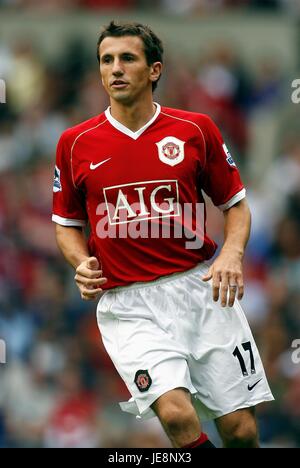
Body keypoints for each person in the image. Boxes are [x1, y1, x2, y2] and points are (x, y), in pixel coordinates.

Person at [52, 21, 274, 449]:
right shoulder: (75, 142)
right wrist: (80, 263)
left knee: (240, 430)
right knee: (176, 415)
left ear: (154, 70)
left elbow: (236, 205)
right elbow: (65, 226)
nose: (115, 69)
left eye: (127, 59)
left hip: (200, 291)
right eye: (106, 60)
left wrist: (231, 253)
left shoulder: (194, 129)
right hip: (129, 305)